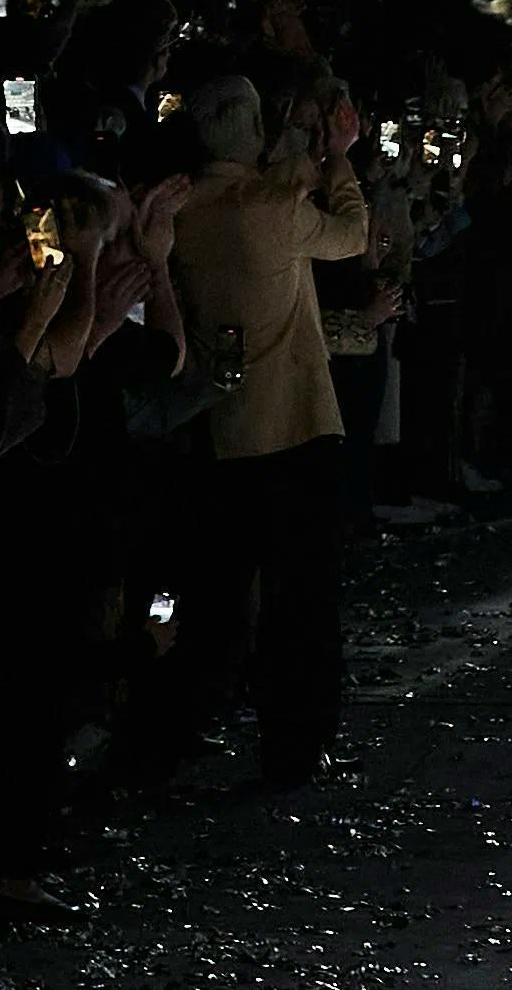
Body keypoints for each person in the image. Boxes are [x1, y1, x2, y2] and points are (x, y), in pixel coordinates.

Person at [162, 70, 366, 788]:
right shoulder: (271, 204)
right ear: (250, 131)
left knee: (217, 601)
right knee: (301, 601)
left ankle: (172, 735)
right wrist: (338, 159)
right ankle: (295, 744)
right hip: (298, 425)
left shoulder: (180, 210)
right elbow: (351, 236)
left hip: (217, 428)